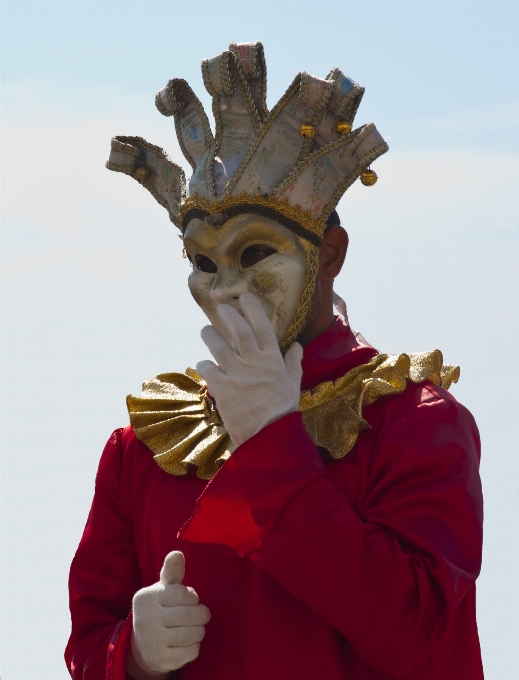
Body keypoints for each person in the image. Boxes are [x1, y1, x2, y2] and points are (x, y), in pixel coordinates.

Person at [65, 42, 484, 680]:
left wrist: (271, 442)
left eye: (254, 253)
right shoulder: (143, 448)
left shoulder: (413, 421)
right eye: (203, 263)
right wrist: (133, 654)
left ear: (331, 253)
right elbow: (89, 649)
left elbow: (411, 630)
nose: (225, 288)